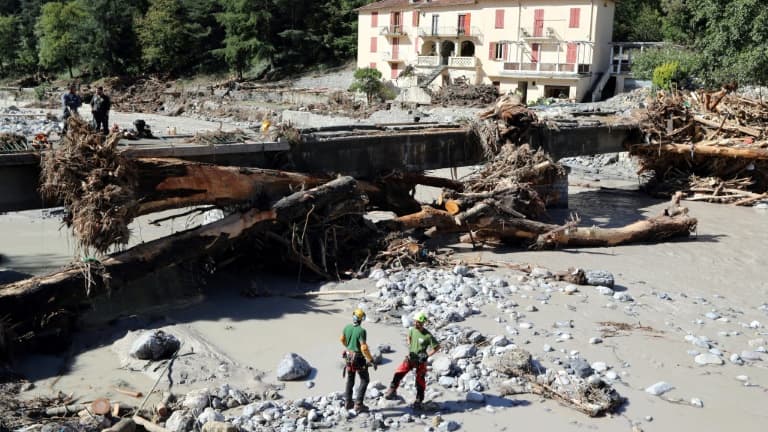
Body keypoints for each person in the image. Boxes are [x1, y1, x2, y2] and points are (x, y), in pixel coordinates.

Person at [384, 311, 441, 409]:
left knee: (420, 382)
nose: (415, 323)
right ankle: (392, 390)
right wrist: (410, 345)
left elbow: (437, 347)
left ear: (423, 323)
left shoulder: (427, 336)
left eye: (418, 322)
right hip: (410, 358)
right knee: (398, 373)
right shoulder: (412, 330)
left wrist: (427, 355)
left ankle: (419, 400)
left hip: (421, 362)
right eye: (415, 321)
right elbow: (408, 336)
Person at [340, 308, 376, 412]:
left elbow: (341, 339)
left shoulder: (347, 327)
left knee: (350, 379)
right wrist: (371, 360)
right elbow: (364, 348)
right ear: (361, 319)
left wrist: (348, 347)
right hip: (358, 358)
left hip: (348, 356)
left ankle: (348, 402)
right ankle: (358, 404)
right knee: (365, 380)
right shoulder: (361, 331)